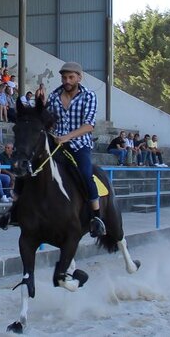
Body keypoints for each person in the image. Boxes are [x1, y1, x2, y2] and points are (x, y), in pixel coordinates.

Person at [45, 61, 106, 237]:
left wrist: (67, 137)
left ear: (79, 77)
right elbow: (47, 119)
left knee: (86, 174)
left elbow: (89, 126)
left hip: (79, 144)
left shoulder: (89, 97)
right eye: (64, 77)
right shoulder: (53, 96)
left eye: (71, 77)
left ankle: (96, 217)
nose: (67, 80)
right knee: (33, 167)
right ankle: (15, 208)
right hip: (56, 144)